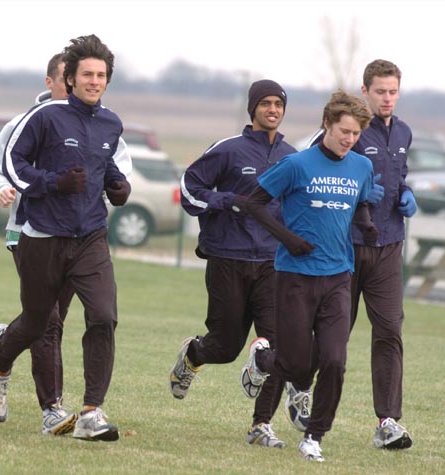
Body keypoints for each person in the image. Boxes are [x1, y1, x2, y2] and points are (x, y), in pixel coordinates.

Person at [0, 34, 130, 442]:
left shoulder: (111, 123)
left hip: (91, 238)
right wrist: (53, 183)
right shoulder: (44, 117)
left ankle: (90, 412)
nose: (94, 81)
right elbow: (12, 164)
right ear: (70, 77)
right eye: (87, 74)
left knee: (103, 315)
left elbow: (108, 169)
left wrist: (118, 186)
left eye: (101, 75)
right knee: (38, 323)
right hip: (42, 237)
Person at [239, 90, 377, 462]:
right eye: (343, 131)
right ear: (326, 125)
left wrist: (366, 227)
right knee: (296, 366)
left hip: (337, 278)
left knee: (334, 360)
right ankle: (262, 360)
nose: (349, 139)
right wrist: (289, 239)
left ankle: (314, 436)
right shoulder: (297, 164)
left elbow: (361, 201)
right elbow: (252, 203)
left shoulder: (361, 167)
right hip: (295, 276)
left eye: (355, 134)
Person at [170, 79, 309, 448]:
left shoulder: (293, 158)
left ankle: (260, 425)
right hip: (228, 258)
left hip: (272, 264)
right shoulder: (228, 150)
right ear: (253, 109)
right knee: (226, 347)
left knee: (277, 346)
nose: (273, 109)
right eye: (265, 103)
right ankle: (193, 354)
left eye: (279, 104)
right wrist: (228, 200)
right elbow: (189, 189)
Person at [305, 60, 415, 450]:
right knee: (333, 336)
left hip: (388, 248)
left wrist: (404, 193)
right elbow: (311, 174)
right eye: (380, 91)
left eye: (393, 91)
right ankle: (298, 387)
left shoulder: (403, 132)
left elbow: (398, 175)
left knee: (389, 331)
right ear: (365, 91)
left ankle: (387, 422)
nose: (387, 98)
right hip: (345, 249)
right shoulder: (348, 130)